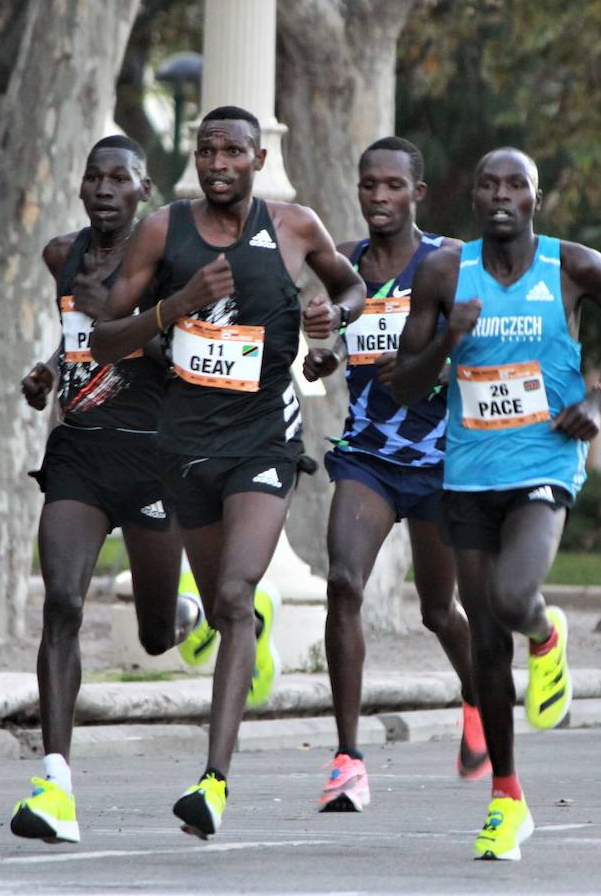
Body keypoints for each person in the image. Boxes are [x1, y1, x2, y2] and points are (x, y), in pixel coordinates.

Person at [92, 105, 365, 839]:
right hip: (182, 443)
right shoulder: (163, 231)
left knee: (238, 592)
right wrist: (176, 305)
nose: (218, 163)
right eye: (206, 150)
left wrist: (327, 323)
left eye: (233, 151)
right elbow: (105, 335)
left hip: (261, 440)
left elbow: (353, 289)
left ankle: (213, 780)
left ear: (259, 160)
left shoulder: (294, 227)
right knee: (221, 606)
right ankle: (246, 631)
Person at [394, 147, 601, 861]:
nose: (501, 195)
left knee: (512, 595)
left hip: (545, 460)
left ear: (537, 196)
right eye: (488, 183)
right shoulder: (445, 271)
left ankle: (544, 634)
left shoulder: (572, 266)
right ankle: (507, 797)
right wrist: (448, 336)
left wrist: (599, 397)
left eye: (517, 184)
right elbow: (404, 384)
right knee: (482, 643)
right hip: (468, 472)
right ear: (473, 196)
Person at [9, 136, 204, 845]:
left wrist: (122, 318)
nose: (104, 187)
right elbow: (77, 335)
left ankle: (188, 609)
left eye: (119, 177)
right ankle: (55, 778)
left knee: (154, 639)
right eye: (94, 175)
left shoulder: (168, 261)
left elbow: (183, 356)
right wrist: (49, 368)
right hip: (82, 454)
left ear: (144, 188)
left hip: (154, 458)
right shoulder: (62, 254)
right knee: (61, 600)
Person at [300, 137, 482, 814]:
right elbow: (336, 349)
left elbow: (472, 344)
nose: (379, 197)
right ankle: (348, 758)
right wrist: (322, 359)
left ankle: (474, 695)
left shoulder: (447, 262)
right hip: (367, 454)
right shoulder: (346, 263)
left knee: (439, 610)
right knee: (344, 582)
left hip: (439, 460)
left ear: (418, 194)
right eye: (369, 185)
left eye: (393, 186)